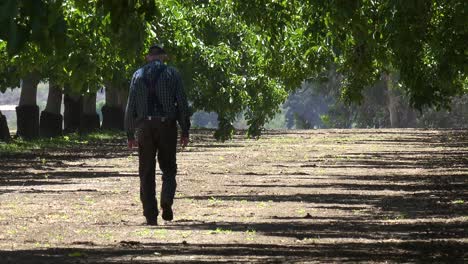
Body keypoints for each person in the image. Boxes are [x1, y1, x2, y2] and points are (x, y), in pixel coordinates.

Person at [125, 44, 190, 225]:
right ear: (164, 57)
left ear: (148, 58)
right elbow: (182, 104)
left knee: (146, 171)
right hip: (166, 125)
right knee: (168, 167)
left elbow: (130, 107)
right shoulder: (172, 74)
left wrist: (130, 133)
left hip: (144, 127)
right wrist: (185, 129)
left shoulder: (137, 75)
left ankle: (150, 214)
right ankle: (166, 199)